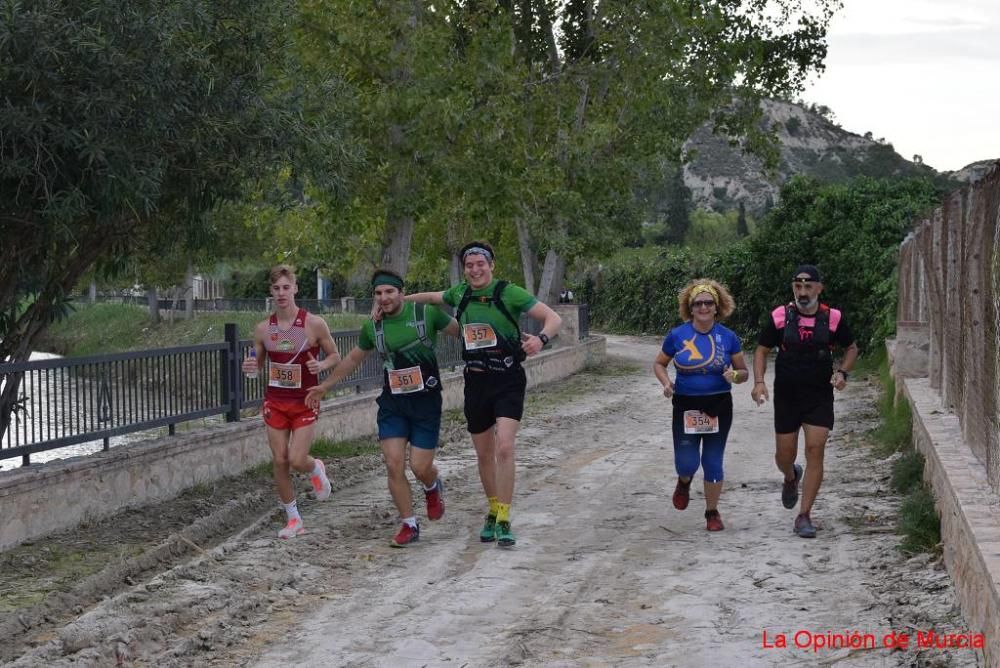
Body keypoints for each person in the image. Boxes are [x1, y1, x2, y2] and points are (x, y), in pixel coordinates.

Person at [404, 242, 562, 548]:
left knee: (505, 447)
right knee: (483, 453)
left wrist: (541, 340)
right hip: (475, 381)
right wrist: (395, 302)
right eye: (470, 265)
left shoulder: (508, 292)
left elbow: (553, 318)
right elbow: (432, 298)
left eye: (481, 264)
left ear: (491, 266)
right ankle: (492, 509)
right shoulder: (459, 293)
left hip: (507, 379)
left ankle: (504, 517)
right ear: (465, 269)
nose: (476, 270)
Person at [305, 269, 459, 547]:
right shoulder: (372, 327)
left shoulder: (426, 315)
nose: (384, 298)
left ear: (401, 292)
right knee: (393, 463)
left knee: (420, 466)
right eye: (378, 293)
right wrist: (325, 386)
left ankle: (431, 485)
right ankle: (409, 524)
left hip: (426, 403)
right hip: (393, 403)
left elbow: (462, 333)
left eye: (389, 291)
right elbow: (353, 359)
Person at [751, 264, 858, 538]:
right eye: (798, 286)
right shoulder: (779, 317)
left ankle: (804, 514)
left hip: (818, 396)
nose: (802, 291)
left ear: (819, 288)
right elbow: (761, 351)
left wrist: (843, 372)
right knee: (784, 456)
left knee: (815, 449)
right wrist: (759, 382)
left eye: (808, 286)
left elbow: (852, 347)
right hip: (787, 396)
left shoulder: (833, 318)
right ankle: (790, 476)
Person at [242, 265, 341, 539]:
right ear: (271, 292)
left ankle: (315, 467)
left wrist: (320, 364)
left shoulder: (313, 323)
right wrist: (249, 366)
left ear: (296, 288)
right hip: (276, 401)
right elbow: (257, 366)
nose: (281, 293)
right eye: (276, 288)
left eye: (286, 287)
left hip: (305, 400)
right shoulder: (264, 329)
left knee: (297, 459)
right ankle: (294, 519)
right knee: (280, 460)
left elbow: (335, 356)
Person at [653, 279, 749, 531]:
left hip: (718, 405)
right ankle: (684, 481)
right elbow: (659, 363)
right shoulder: (677, 335)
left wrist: (736, 376)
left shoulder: (728, 337)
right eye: (698, 303)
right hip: (686, 405)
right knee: (686, 463)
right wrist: (665, 383)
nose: (704, 307)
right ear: (690, 307)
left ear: (717, 307)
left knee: (713, 461)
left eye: (708, 303)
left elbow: (744, 372)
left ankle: (712, 512)